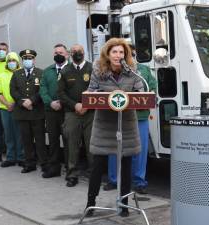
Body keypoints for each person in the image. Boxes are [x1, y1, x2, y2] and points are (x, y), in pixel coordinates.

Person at [84, 38, 143, 217]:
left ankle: (124, 204)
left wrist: (132, 95)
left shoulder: (132, 71)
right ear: (107, 54)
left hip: (125, 124)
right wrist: (96, 94)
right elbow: (91, 91)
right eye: (114, 52)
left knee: (126, 165)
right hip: (105, 124)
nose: (118, 55)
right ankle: (91, 203)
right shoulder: (98, 71)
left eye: (121, 52)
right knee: (97, 166)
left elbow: (141, 93)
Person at [104, 44, 157, 194]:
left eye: (131, 53)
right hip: (118, 117)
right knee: (115, 149)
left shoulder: (144, 70)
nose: (128, 56)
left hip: (139, 117)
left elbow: (152, 87)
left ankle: (139, 181)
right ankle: (114, 180)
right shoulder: (114, 70)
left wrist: (151, 93)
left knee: (139, 151)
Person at [57, 44, 94, 187]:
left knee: (91, 145)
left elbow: (98, 89)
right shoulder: (65, 70)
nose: (77, 53)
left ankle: (93, 173)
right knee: (72, 145)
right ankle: (72, 174)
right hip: (72, 113)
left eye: (80, 51)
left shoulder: (92, 69)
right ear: (70, 54)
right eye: (74, 52)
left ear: (84, 53)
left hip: (90, 113)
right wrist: (75, 105)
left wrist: (86, 104)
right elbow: (60, 93)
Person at [10, 49, 47, 173]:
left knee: (40, 140)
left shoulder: (41, 73)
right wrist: (22, 102)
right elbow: (13, 91)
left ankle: (43, 163)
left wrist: (31, 101)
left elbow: (42, 90)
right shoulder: (16, 74)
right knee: (26, 140)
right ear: (22, 60)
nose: (27, 61)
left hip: (37, 112)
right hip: (22, 112)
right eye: (25, 59)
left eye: (30, 58)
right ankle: (30, 163)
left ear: (34, 60)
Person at [40, 43, 69, 178]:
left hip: (67, 111)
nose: (58, 55)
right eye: (56, 53)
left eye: (61, 53)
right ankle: (54, 168)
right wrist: (50, 102)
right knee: (53, 140)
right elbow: (43, 89)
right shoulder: (47, 71)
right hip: (51, 111)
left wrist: (63, 103)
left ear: (67, 54)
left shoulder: (71, 70)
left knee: (68, 139)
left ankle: (70, 168)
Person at [0, 52, 24, 167]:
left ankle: (21, 157)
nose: (12, 62)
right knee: (8, 134)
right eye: (10, 60)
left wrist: (16, 103)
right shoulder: (1, 75)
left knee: (19, 133)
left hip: (19, 108)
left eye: (14, 60)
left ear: (17, 62)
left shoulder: (22, 73)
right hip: (5, 109)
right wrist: (7, 104)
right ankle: (10, 157)